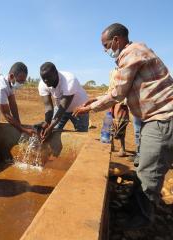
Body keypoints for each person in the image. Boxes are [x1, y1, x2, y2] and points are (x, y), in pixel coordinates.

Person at [73, 23, 173, 229]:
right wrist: (94, 100)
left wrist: (90, 109)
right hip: (151, 118)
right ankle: (133, 207)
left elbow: (118, 94)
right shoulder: (132, 54)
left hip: (162, 118)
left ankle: (141, 221)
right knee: (142, 165)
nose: (105, 49)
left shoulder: (132, 54)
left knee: (149, 173)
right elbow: (119, 91)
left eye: (106, 44)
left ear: (117, 40)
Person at [37, 62, 89, 142]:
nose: (46, 81)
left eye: (48, 77)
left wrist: (50, 127)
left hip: (79, 109)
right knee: (54, 131)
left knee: (81, 135)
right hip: (60, 107)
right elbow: (48, 106)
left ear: (56, 73)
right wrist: (47, 122)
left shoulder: (69, 80)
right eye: (43, 78)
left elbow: (63, 107)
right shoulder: (42, 84)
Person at [108, 69, 130, 157]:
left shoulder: (126, 71)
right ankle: (111, 144)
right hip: (112, 100)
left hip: (121, 102)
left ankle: (122, 148)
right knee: (110, 122)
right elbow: (111, 86)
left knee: (120, 125)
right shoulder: (113, 71)